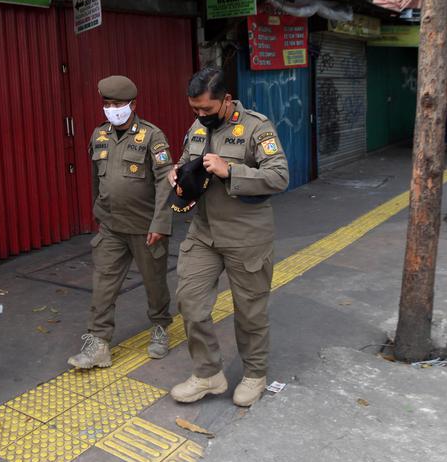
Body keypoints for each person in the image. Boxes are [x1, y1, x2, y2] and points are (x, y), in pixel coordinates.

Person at [166, 67, 289, 407]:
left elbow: (279, 177)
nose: (200, 115)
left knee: (249, 312)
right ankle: (209, 374)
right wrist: (176, 174)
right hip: (204, 233)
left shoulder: (256, 127)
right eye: (194, 109)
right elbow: (185, 161)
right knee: (189, 303)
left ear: (226, 100)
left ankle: (254, 374)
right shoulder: (197, 126)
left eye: (206, 109)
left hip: (247, 235)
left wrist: (230, 170)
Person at [68, 75, 175, 369]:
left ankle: (160, 327)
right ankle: (97, 344)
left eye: (118, 104)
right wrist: (97, 212)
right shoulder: (98, 136)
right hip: (112, 227)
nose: (112, 109)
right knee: (103, 285)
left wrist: (160, 223)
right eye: (107, 104)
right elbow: (95, 181)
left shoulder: (153, 136)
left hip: (144, 228)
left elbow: (166, 181)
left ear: (132, 105)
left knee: (154, 284)